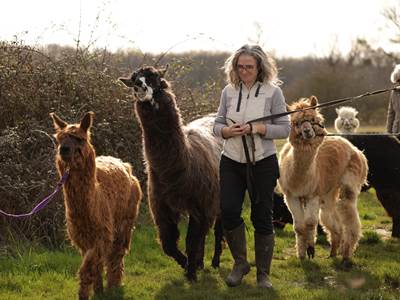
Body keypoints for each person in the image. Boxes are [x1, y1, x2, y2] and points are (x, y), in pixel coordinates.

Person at [213, 44, 290, 288]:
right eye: (240, 66)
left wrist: (258, 128)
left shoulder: (272, 93)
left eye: (249, 67)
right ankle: (240, 263)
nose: (244, 71)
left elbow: (285, 128)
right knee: (228, 210)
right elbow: (216, 124)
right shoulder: (228, 91)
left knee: (262, 216)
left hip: (262, 162)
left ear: (260, 67)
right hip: (231, 161)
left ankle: (263, 274)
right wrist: (226, 131)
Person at [386, 64, 400, 134]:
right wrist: (388, 133)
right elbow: (391, 114)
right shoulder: (394, 92)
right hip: (396, 132)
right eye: (398, 81)